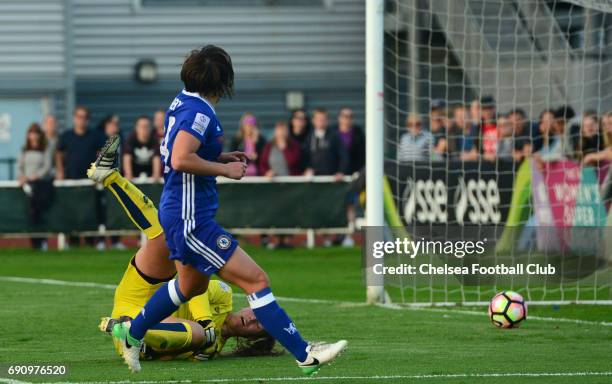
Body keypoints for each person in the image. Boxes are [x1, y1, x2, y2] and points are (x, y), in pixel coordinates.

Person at [95, 46, 346, 374]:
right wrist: (224, 170)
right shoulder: (201, 112)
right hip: (191, 219)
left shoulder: (182, 100)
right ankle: (305, 355)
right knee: (256, 280)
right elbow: (180, 158)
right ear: (225, 81)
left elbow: (182, 151)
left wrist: (219, 157)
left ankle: (134, 332)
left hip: (180, 209)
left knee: (191, 287)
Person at [88, 155, 277, 360]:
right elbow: (196, 287)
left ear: (250, 339)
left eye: (257, 327)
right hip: (139, 295)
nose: (251, 320)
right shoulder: (224, 297)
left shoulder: (214, 348)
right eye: (256, 315)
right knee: (165, 233)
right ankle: (109, 175)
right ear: (250, 307)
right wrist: (205, 321)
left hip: (136, 340)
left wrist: (203, 342)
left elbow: (177, 355)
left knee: (198, 334)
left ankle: (130, 332)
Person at [18, 123, 54, 250]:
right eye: (31, 133)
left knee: (41, 213)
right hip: (27, 186)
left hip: (41, 185)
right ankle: (34, 242)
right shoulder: (24, 149)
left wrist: (36, 175)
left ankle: (43, 240)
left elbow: (47, 167)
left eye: (36, 132)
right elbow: (20, 166)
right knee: (30, 214)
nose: (33, 136)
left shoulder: (45, 148)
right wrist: (22, 177)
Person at [55, 106, 106, 180]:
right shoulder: (66, 136)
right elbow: (58, 154)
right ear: (74, 118)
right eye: (79, 117)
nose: (81, 120)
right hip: (70, 177)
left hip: (90, 178)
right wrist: (60, 171)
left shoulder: (96, 136)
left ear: (88, 119)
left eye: (84, 117)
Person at [303, 107, 348, 178]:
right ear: (313, 120)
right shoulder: (308, 138)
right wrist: (307, 169)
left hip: (332, 180)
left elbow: (344, 156)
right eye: (318, 119)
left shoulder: (334, 137)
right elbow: (304, 157)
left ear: (327, 121)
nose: (320, 121)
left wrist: (341, 171)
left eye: (323, 119)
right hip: (313, 181)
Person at [123, 116, 162, 180]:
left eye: (146, 126)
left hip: (150, 177)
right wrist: (128, 174)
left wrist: (156, 175)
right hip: (134, 176)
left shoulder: (154, 140)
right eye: (141, 126)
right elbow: (127, 157)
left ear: (150, 128)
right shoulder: (131, 139)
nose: (144, 129)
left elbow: (157, 158)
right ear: (136, 128)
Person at [335, 107, 365, 174]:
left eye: (351, 117)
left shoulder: (359, 134)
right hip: (335, 176)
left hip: (354, 174)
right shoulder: (332, 133)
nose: (348, 119)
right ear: (339, 118)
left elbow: (362, 155)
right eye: (345, 116)